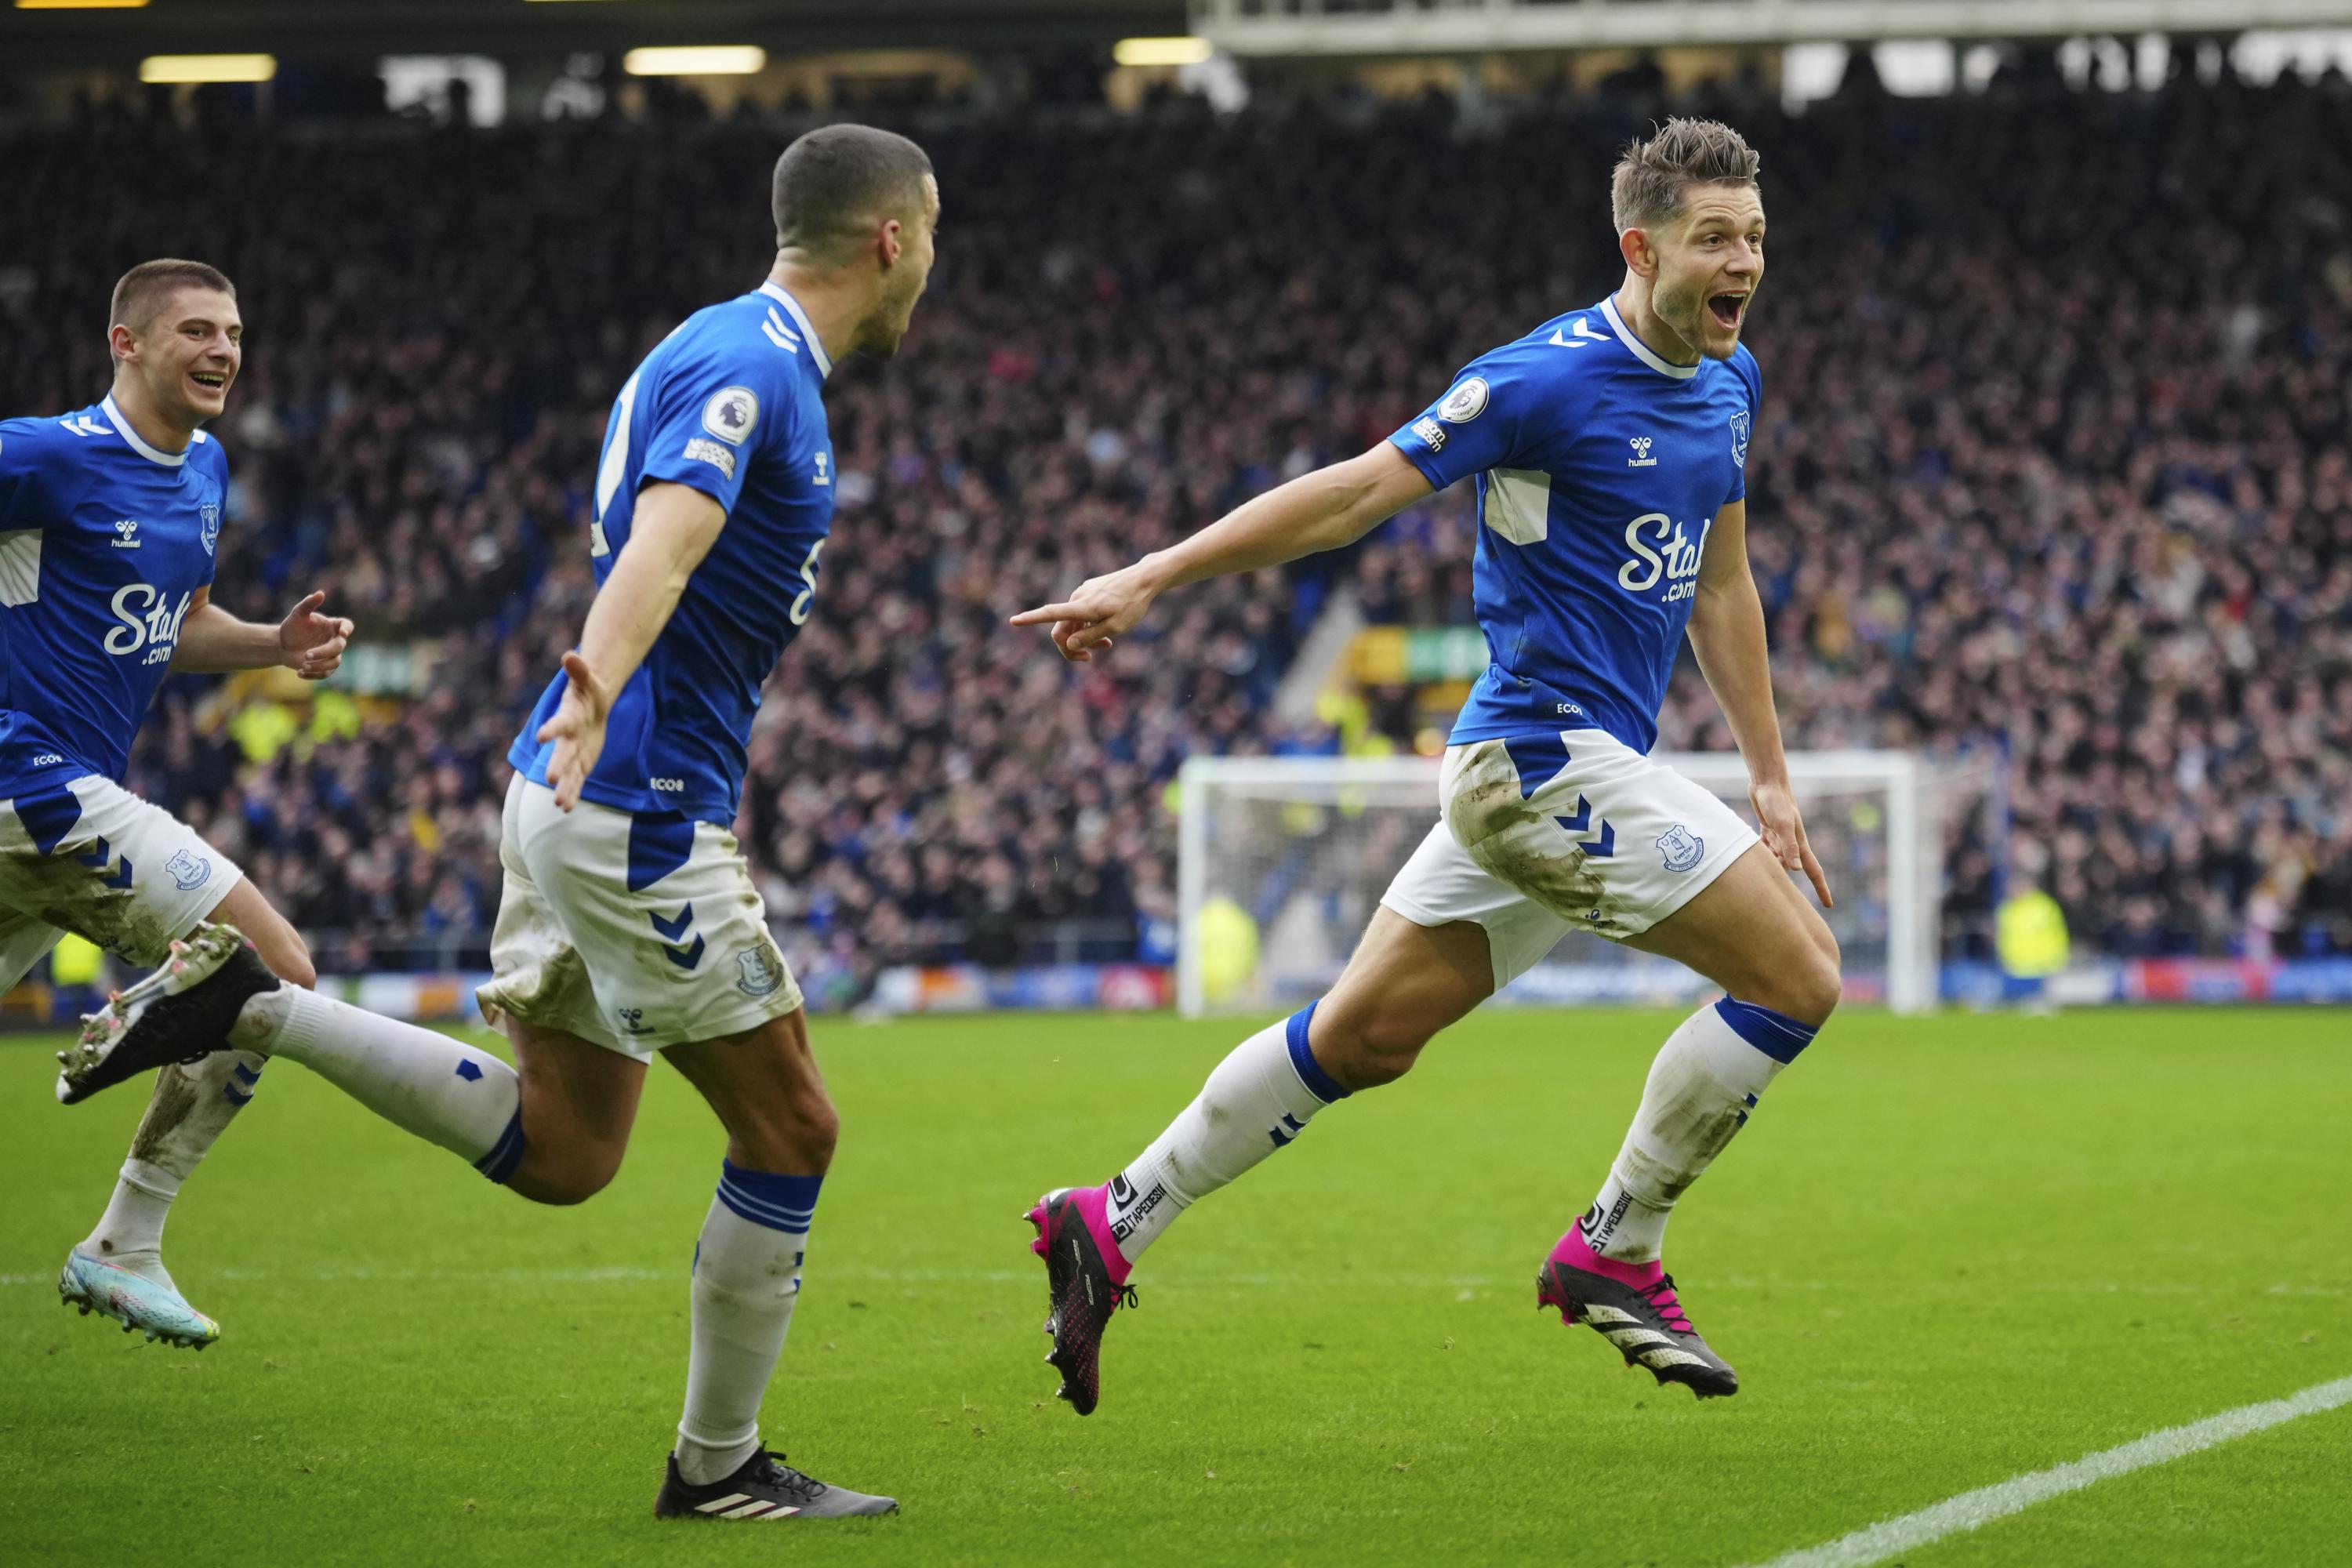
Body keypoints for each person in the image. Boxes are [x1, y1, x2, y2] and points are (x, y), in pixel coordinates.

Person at [56, 125, 940, 1520]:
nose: (928, 273)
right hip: (632, 802)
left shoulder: (710, 343)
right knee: (794, 1132)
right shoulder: (757, 365)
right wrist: (598, 691)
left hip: (573, 796)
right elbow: (665, 536)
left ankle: (253, 1006)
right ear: (891, 238)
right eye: (929, 242)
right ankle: (717, 1471)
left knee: (570, 1153)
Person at [1012, 118, 1840, 1413]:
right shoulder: (1542, 381)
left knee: (1364, 1038)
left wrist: (1771, 777)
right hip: (1537, 759)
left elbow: (1724, 583)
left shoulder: (1728, 389)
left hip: (1570, 766)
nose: (1747, 262)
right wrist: (1153, 575)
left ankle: (1110, 1219)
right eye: (1716, 238)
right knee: (1799, 976)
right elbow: (1352, 495)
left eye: (1756, 239)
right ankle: (1616, 1245)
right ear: (1642, 247)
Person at [0, 258, 350, 1348]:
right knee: (275, 968)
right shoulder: (47, 455)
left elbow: (175, 621)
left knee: (257, 977)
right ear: (128, 344)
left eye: (234, 333)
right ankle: (126, 1242)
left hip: (50, 812)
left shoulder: (204, 469)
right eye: (197, 330)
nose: (223, 352)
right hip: (34, 780)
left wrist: (270, 647)